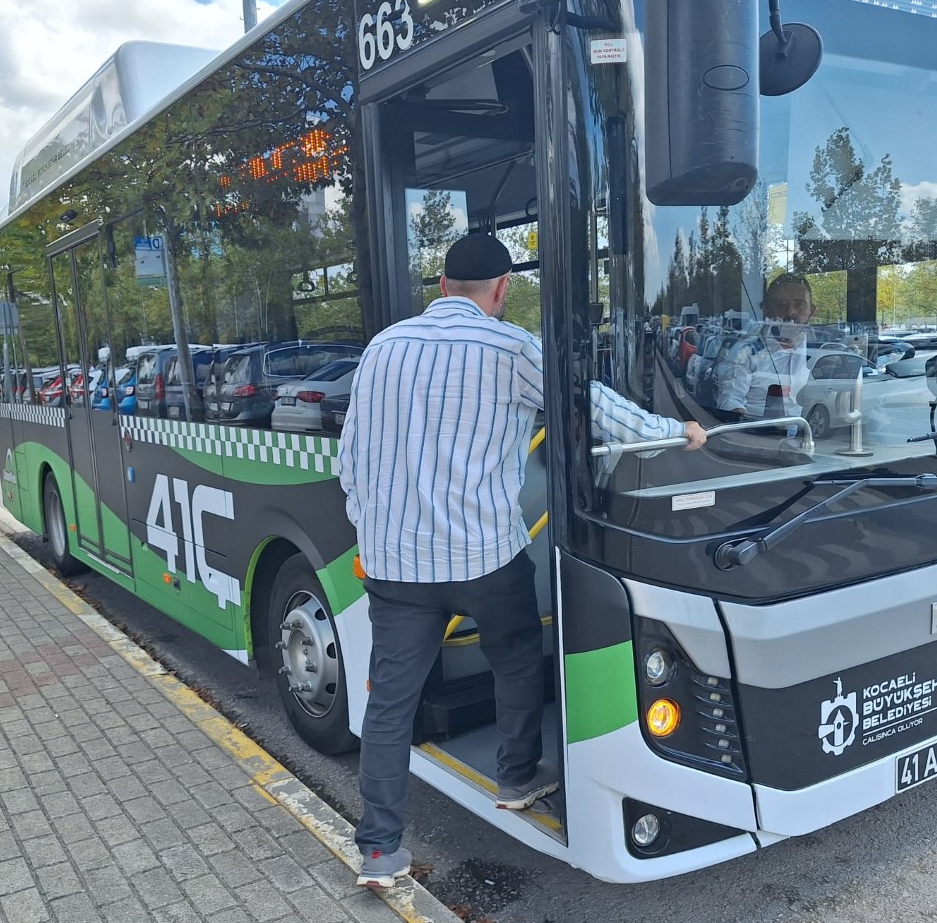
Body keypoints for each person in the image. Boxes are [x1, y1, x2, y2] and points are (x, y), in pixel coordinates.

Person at [338, 233, 706, 889]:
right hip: (484, 556)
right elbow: (595, 412)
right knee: (514, 659)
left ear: (443, 285)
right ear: (503, 288)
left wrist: (374, 530)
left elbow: (350, 461)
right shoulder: (510, 347)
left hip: (395, 566)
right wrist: (674, 431)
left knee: (390, 702)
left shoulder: (382, 348)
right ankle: (513, 777)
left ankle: (379, 850)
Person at [713, 273, 816, 423]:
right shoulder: (745, 352)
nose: (790, 312)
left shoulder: (819, 350)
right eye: (781, 304)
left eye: (799, 305)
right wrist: (739, 414)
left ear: (811, 311)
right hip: (757, 436)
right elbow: (729, 400)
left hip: (810, 434)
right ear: (766, 309)